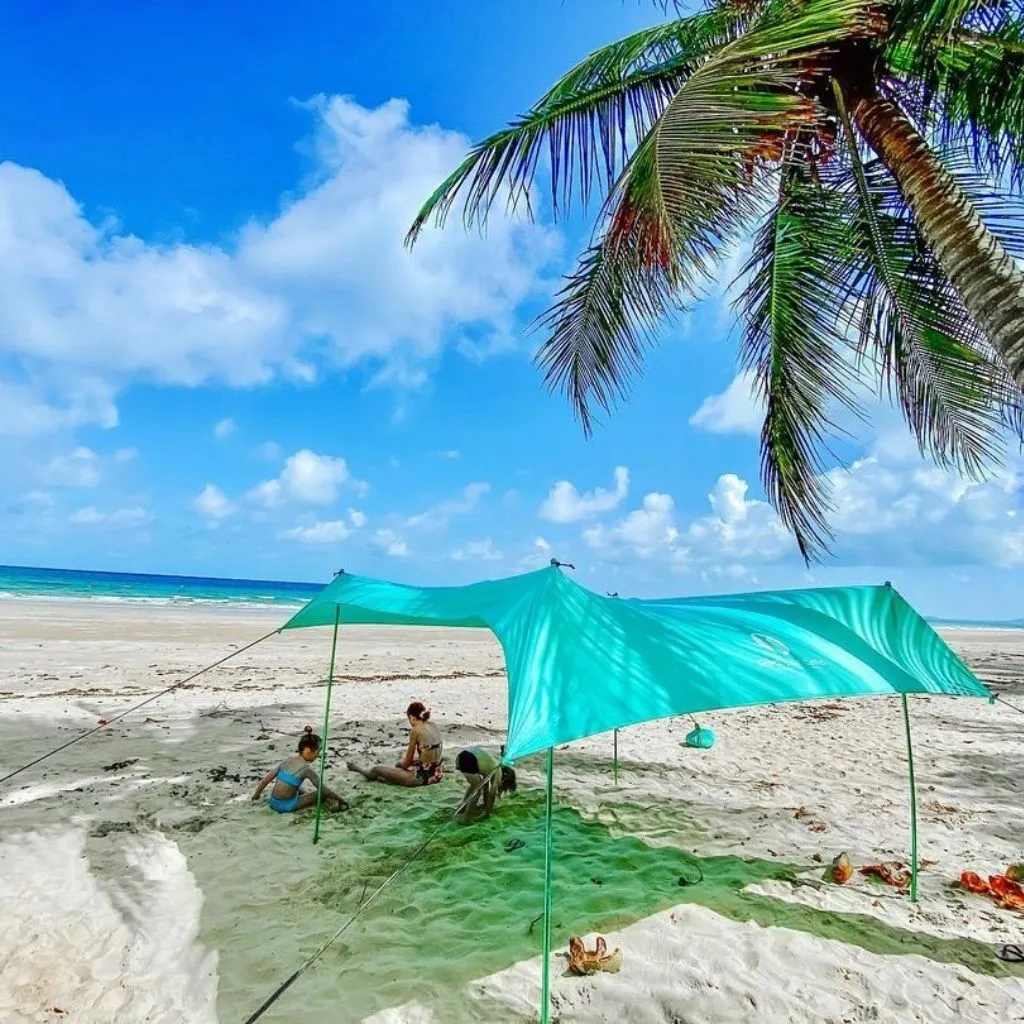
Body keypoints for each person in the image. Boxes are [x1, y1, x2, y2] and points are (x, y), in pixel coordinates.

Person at [347, 701, 444, 787]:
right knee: (403, 763)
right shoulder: (433, 725)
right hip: (437, 775)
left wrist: (401, 764)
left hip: (422, 779)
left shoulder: (416, 730)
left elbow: (407, 763)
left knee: (376, 769)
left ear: (412, 717)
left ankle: (358, 769)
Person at [252, 726, 346, 813]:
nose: (318, 755)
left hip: (273, 803)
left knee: (297, 786)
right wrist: (341, 800)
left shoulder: (287, 760)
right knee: (319, 794)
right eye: (318, 751)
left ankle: (303, 794)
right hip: (287, 806)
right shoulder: (306, 769)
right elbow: (323, 790)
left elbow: (265, 781)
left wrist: (256, 795)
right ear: (309, 751)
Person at [455, 746, 516, 823]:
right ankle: (467, 818)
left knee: (474, 786)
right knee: (477, 790)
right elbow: (492, 795)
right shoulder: (498, 773)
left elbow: (486, 790)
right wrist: (488, 813)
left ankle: (462, 808)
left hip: (462, 755)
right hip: (470, 758)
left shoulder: (491, 767)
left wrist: (485, 806)